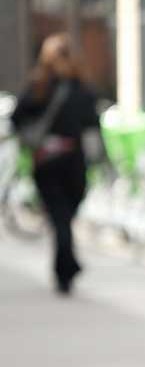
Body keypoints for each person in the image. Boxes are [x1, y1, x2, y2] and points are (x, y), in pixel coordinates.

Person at [11, 33, 100, 294]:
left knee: (62, 217)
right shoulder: (68, 87)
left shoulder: (45, 86)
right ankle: (65, 269)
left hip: (52, 161)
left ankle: (66, 266)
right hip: (66, 162)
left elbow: (16, 119)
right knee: (63, 216)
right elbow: (93, 125)